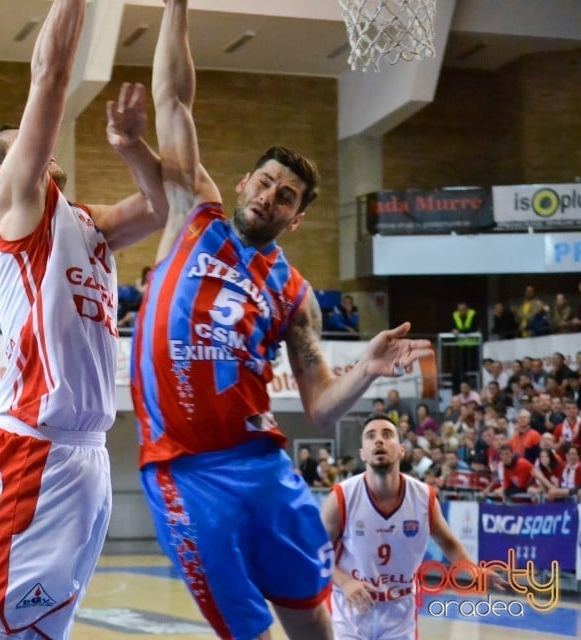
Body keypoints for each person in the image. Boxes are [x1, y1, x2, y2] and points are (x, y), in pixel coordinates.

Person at [125, 3, 435, 639]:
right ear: (243, 184)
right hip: (185, 467)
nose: (269, 197)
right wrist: (176, 6)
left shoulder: (295, 295)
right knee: (250, 633)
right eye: (264, 183)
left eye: (285, 196)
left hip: (262, 464)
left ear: (296, 219)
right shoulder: (195, 216)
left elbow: (320, 406)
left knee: (312, 620)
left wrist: (369, 369)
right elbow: (173, 99)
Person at [0, 0, 167, 636]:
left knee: (47, 628)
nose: (43, 149)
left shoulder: (85, 221)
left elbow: (163, 208)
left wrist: (132, 145)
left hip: (90, 455)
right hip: (33, 447)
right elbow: (50, 74)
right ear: (2, 173)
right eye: (25, 146)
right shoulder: (17, 207)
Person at [321, 416, 493, 640]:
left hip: (399, 614)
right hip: (351, 611)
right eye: (371, 436)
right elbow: (315, 553)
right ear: (362, 453)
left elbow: (449, 544)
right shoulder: (342, 496)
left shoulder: (423, 497)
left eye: (387, 434)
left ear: (402, 450)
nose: (379, 441)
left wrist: (475, 572)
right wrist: (345, 583)